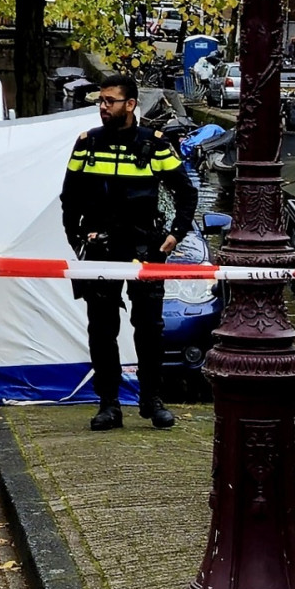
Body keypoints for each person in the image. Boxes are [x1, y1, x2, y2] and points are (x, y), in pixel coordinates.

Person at [61, 74, 198, 432]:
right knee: (102, 328)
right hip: (101, 247)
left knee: (150, 328)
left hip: (144, 246)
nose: (103, 107)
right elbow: (69, 196)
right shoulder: (88, 143)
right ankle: (108, 404)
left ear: (130, 104)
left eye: (110, 101)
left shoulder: (154, 144)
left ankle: (152, 400)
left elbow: (186, 192)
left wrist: (175, 235)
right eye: (101, 101)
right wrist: (76, 237)